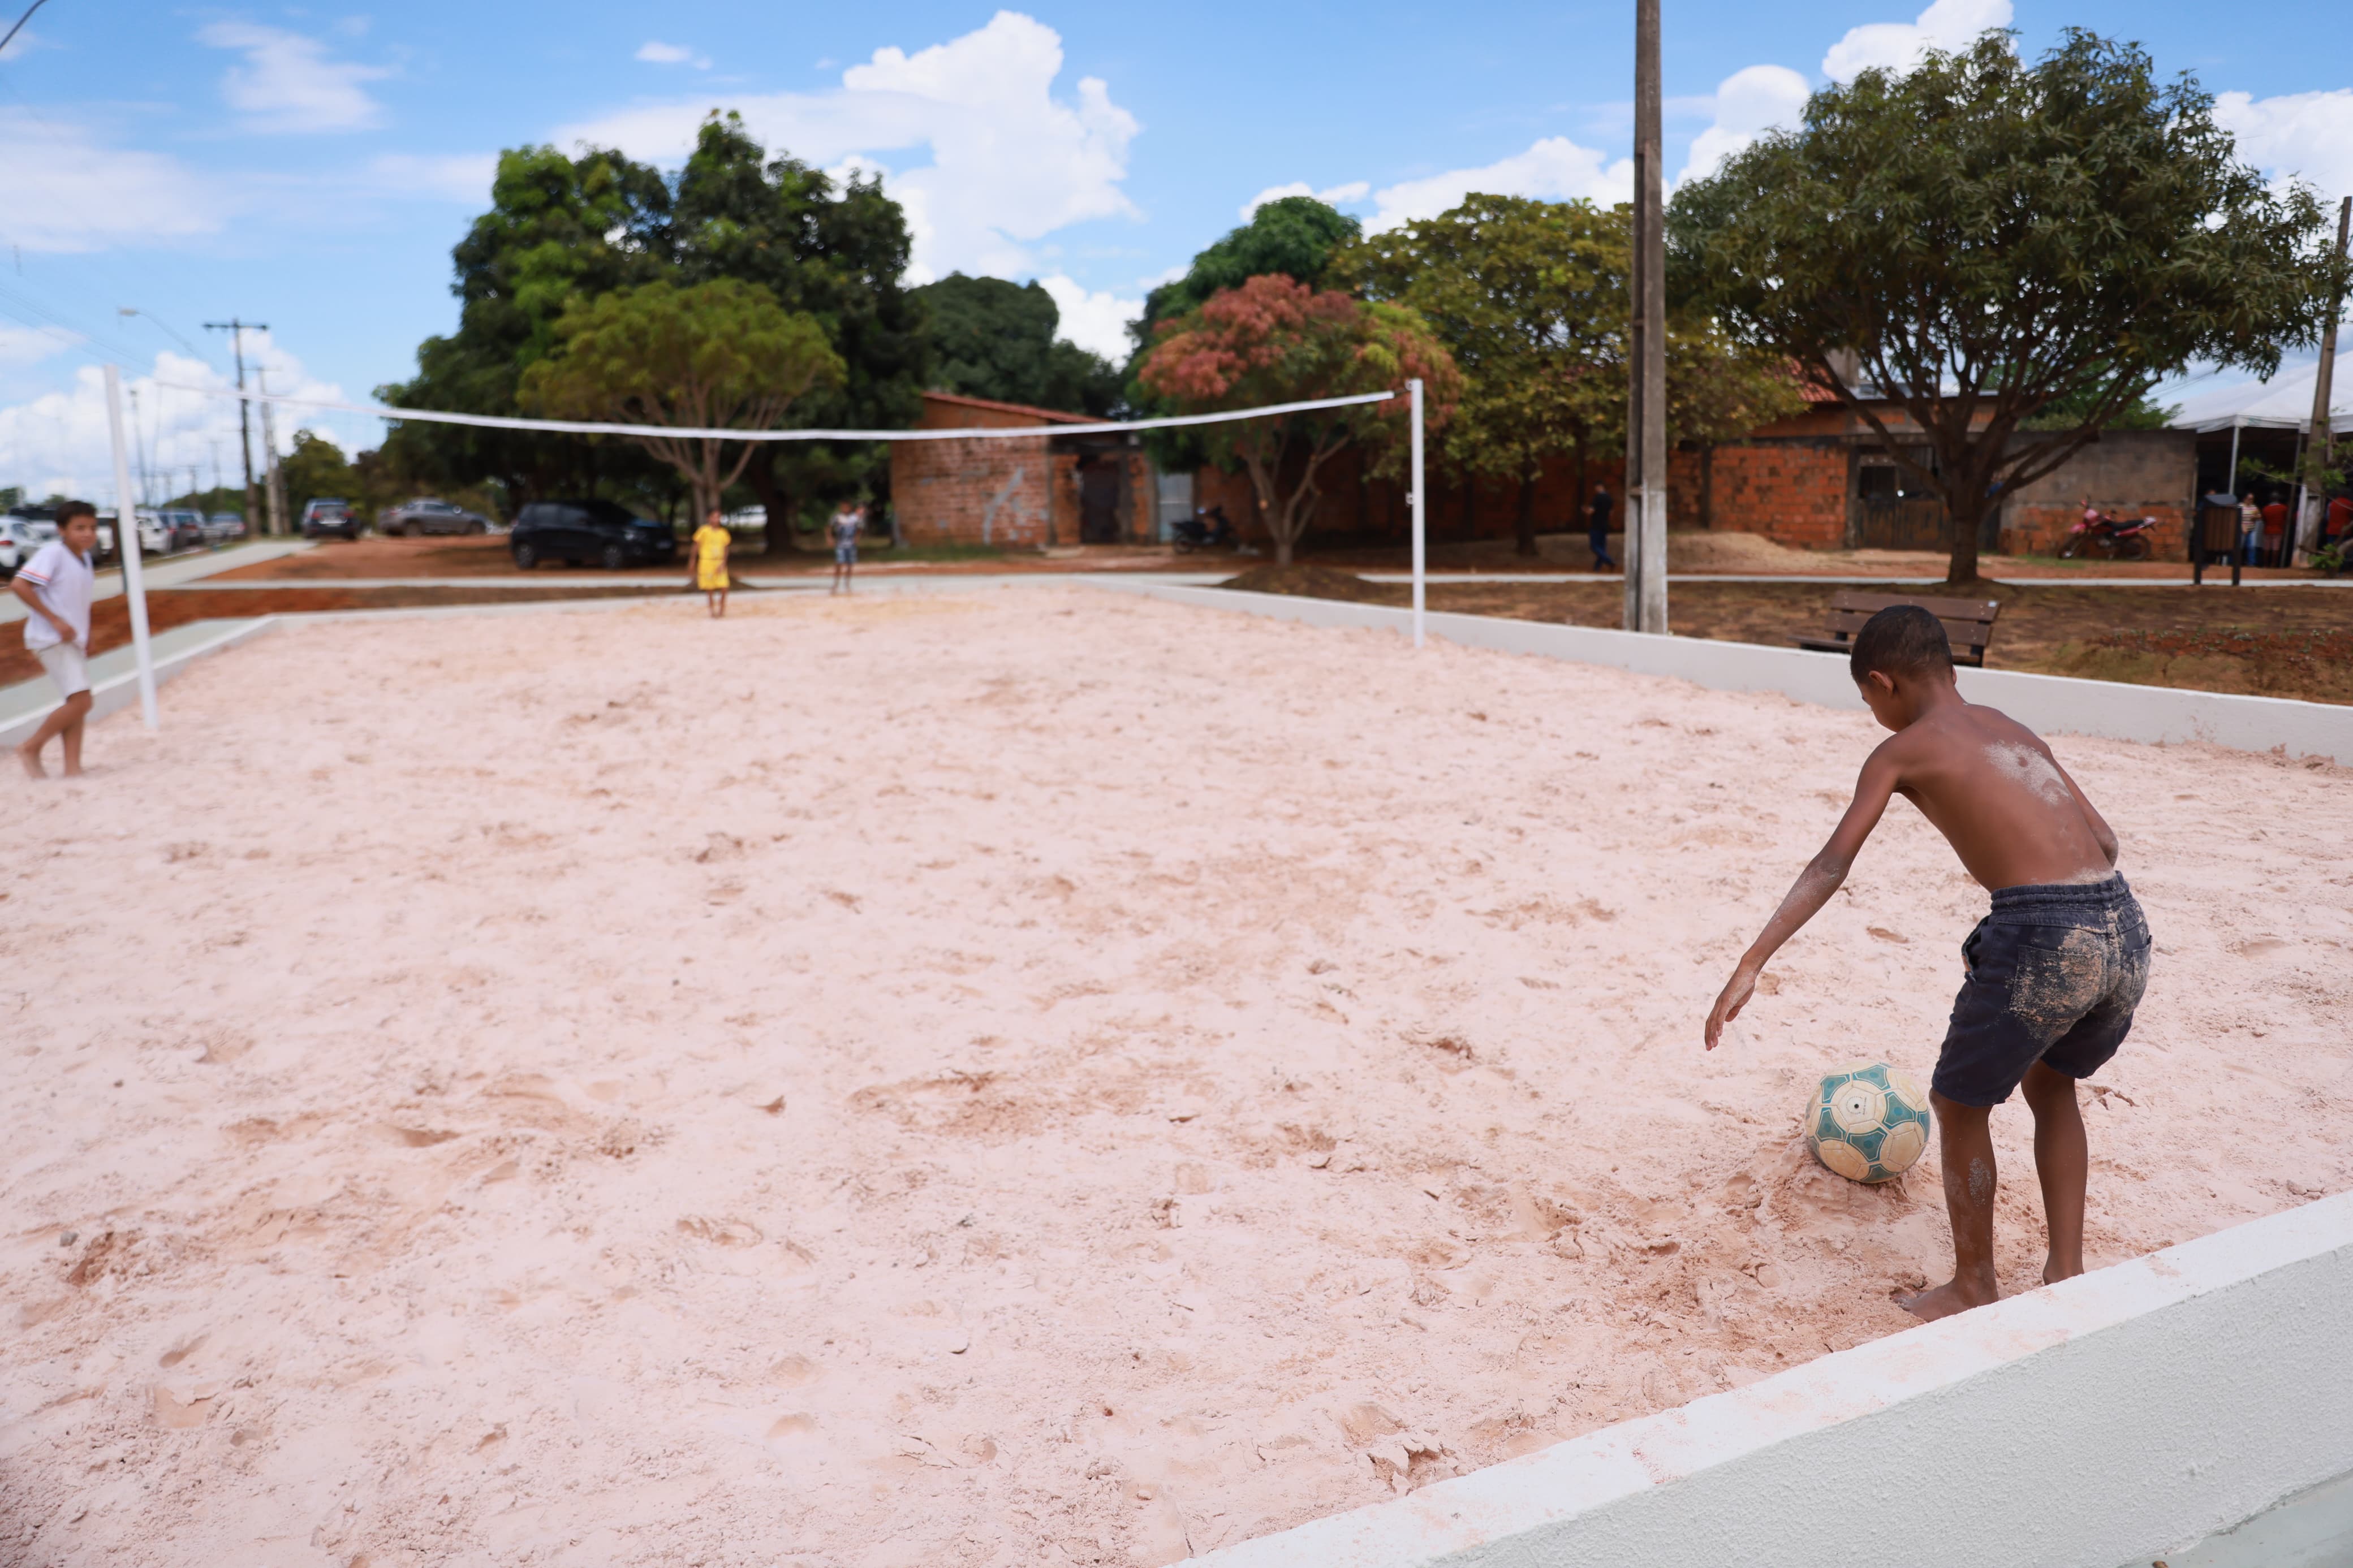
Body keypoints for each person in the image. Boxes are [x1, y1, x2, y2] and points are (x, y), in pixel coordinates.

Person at [1704, 606, 2148, 1324]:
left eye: (1866, 699)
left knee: (1959, 1104)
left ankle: (1973, 1283)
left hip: (2043, 935)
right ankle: (2065, 1270)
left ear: (1882, 683)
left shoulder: (1901, 751)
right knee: (2052, 1082)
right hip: (2122, 925)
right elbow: (2102, 836)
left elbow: (1830, 864)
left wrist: (1751, 961)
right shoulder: (2009, 726)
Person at [14, 500, 101, 780]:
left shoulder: (84, 558)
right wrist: (54, 620)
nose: (87, 533)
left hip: (71, 640)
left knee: (76, 701)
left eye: (92, 527)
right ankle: (31, 747)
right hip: (50, 638)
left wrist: (87, 634)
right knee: (82, 701)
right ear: (62, 530)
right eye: (79, 528)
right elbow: (20, 585)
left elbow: (77, 601)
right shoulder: (53, 553)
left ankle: (73, 768)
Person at [689, 508, 731, 618]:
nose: (717, 519)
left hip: (719, 562)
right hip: (707, 562)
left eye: (718, 517)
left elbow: (726, 548)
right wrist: (692, 560)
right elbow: (696, 546)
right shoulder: (703, 531)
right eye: (714, 517)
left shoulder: (723, 533)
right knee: (710, 588)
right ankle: (712, 611)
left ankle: (722, 610)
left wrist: (724, 563)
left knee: (724, 587)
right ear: (709, 518)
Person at [828, 501, 863, 595]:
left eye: (847, 507)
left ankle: (847, 584)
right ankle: (835, 584)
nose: (845, 508)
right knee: (839, 563)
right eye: (843, 507)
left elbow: (860, 528)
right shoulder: (837, 517)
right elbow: (829, 527)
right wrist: (830, 538)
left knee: (850, 565)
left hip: (851, 545)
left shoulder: (855, 518)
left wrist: (857, 538)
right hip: (840, 544)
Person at [1588, 485, 1617, 571]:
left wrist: (1586, 511)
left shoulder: (1597, 498)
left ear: (1598, 487)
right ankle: (1597, 568)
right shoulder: (1609, 499)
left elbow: (1591, 511)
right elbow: (1611, 513)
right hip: (1605, 525)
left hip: (1596, 525)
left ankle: (1609, 561)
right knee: (1602, 547)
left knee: (1594, 546)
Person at [2238, 493, 2262, 565]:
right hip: (2242, 529)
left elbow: (2260, 516)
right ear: (2245, 499)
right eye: (2250, 499)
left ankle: (2251, 563)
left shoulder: (2254, 507)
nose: (2251, 500)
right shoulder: (2240, 506)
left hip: (2252, 530)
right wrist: (2242, 527)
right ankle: (2237, 562)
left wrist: (2256, 517)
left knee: (2252, 547)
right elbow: (2237, 518)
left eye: (2252, 499)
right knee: (2239, 546)